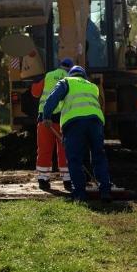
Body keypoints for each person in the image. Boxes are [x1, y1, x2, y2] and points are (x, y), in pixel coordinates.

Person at [42, 65, 112, 202]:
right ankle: (105, 191)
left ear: (71, 74)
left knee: (74, 158)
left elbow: (52, 98)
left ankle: (80, 194)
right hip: (95, 122)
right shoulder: (92, 86)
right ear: (84, 76)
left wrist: (46, 116)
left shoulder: (66, 81)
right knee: (99, 156)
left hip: (74, 123)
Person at [31, 57, 73, 191]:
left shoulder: (48, 75)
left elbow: (35, 93)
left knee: (44, 149)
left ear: (60, 66)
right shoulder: (71, 79)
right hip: (62, 120)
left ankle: (43, 179)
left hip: (44, 119)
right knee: (64, 150)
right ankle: (67, 180)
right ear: (70, 68)